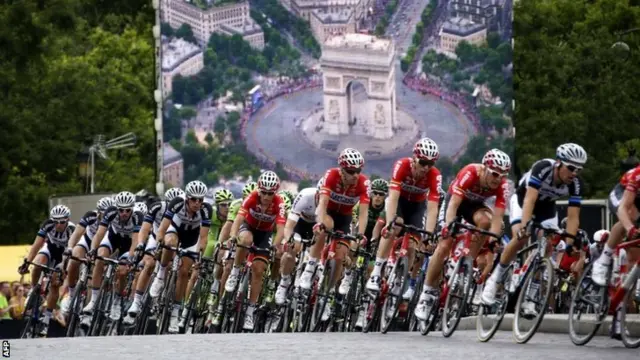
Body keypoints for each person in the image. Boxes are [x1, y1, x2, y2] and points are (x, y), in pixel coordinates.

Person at [482, 143, 587, 317]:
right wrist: (524, 226)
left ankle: (530, 297)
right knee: (521, 237)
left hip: (546, 207)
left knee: (548, 244)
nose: (574, 173)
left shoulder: (575, 184)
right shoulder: (543, 168)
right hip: (524, 200)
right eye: (571, 168)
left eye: (579, 169)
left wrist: (569, 243)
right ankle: (495, 279)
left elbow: (573, 217)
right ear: (559, 163)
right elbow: (530, 199)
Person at [414, 148, 510, 320]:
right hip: (456, 203)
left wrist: (494, 239)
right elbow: (454, 205)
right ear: (485, 169)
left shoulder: (502, 185)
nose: (498, 179)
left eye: (503, 176)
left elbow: (498, 216)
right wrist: (449, 226)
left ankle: (467, 263)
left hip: (475, 206)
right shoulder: (471, 172)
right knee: (444, 244)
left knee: (486, 223)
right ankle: (426, 295)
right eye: (495, 174)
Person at [226, 171, 286, 331]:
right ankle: (235, 270)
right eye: (264, 192)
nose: (266, 196)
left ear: (275, 192)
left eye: (270, 193)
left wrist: (275, 244)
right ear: (259, 190)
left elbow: (281, 229)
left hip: (265, 234)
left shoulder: (279, 204)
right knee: (244, 240)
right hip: (249, 227)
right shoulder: (252, 197)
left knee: (259, 271)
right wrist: (233, 236)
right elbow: (239, 219)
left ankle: (250, 312)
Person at [18, 204, 76, 336]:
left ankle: (47, 318)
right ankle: (34, 289)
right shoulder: (47, 225)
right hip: (49, 249)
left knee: (55, 284)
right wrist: (27, 262)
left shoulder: (72, 229)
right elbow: (36, 245)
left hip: (63, 256)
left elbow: (69, 254)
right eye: (55, 221)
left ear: (67, 220)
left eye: (61, 222)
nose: (58, 225)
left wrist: (63, 269)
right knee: (37, 263)